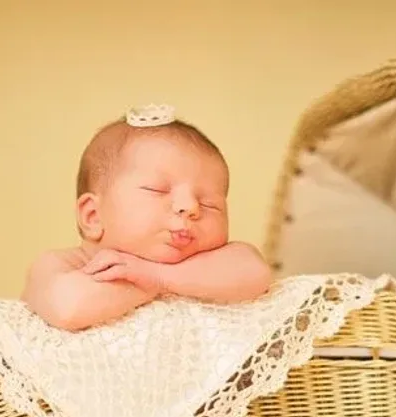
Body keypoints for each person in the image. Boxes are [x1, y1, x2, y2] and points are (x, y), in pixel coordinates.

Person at [21, 105, 273, 331]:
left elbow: (256, 273)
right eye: (157, 190)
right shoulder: (63, 264)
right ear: (93, 216)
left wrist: (160, 277)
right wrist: (151, 283)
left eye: (210, 204)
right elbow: (69, 308)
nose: (190, 207)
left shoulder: (209, 262)